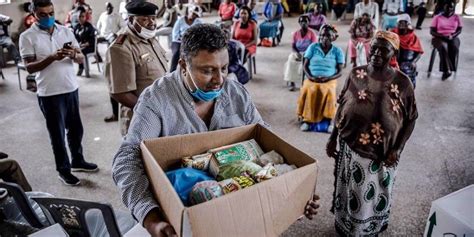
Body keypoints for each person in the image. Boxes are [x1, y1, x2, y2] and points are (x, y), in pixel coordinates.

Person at [111, 23, 320, 236]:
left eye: (223, 68)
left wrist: (294, 191)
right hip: (179, 213)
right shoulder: (156, 100)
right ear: (183, 65)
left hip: (239, 206)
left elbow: (266, 139)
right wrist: (152, 219)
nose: (220, 80)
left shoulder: (236, 93)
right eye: (207, 70)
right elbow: (127, 160)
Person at [327, 30, 418, 236]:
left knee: (371, 193)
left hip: (382, 153)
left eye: (383, 50)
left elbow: (411, 118)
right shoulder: (356, 74)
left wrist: (397, 149)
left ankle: (366, 229)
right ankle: (345, 225)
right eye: (374, 48)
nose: (376, 53)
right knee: (349, 188)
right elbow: (342, 106)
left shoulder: (402, 83)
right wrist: (333, 138)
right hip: (350, 147)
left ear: (393, 54)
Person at [19, 0, 98, 186]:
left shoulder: (65, 30)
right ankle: (63, 170)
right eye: (43, 15)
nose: (48, 17)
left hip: (70, 88)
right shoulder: (27, 37)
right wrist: (52, 57)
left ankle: (77, 160)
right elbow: (29, 67)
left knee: (76, 129)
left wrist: (73, 55)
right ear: (34, 15)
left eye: (51, 13)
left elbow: (80, 58)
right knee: (57, 134)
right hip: (49, 92)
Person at [105, 1, 168, 136]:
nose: (151, 23)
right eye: (144, 19)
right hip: (140, 117)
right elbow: (119, 92)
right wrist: (150, 109)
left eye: (153, 18)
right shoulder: (121, 48)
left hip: (161, 111)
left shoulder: (150, 38)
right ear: (131, 19)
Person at [298, 24, 344, 132]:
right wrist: (310, 76)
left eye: (328, 36)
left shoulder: (337, 51)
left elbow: (340, 71)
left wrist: (329, 78)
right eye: (322, 35)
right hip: (312, 77)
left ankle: (330, 120)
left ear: (333, 37)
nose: (324, 38)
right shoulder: (313, 47)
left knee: (328, 91)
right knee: (310, 89)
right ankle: (307, 120)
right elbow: (305, 65)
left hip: (329, 79)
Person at [284, 15, 317, 91]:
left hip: (309, 53)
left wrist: (306, 54)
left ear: (309, 22)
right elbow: (293, 46)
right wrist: (297, 53)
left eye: (306, 21)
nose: (304, 23)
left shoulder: (312, 33)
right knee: (291, 60)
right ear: (299, 23)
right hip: (298, 52)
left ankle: (306, 82)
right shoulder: (296, 33)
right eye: (302, 21)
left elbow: (313, 47)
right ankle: (292, 82)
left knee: (306, 63)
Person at [430, 0, 462, 80]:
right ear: (443, 8)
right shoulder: (437, 17)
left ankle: (448, 69)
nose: (449, 9)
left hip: (452, 36)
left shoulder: (456, 17)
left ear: (453, 8)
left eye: (451, 7)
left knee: (454, 46)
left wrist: (453, 35)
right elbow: (432, 31)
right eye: (447, 7)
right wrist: (442, 36)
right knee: (443, 47)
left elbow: (459, 29)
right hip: (438, 37)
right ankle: (447, 70)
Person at [393, 14, 423, 87]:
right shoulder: (393, 34)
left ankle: (409, 89)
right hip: (393, 60)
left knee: (406, 70)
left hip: (407, 62)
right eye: (400, 23)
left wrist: (413, 62)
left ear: (408, 25)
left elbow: (419, 52)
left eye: (404, 23)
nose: (401, 25)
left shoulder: (413, 37)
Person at [170, 4, 203, 72]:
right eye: (193, 14)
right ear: (189, 12)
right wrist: (182, 40)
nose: (194, 16)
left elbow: (201, 33)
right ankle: (172, 71)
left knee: (196, 53)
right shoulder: (180, 20)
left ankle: (192, 71)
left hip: (192, 42)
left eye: (196, 15)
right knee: (176, 52)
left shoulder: (198, 22)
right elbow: (175, 34)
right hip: (178, 41)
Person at [73, 8, 96, 78]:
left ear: (85, 17)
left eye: (82, 16)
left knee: (81, 51)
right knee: (73, 51)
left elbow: (92, 41)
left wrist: (83, 45)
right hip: (80, 46)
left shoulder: (89, 26)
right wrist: (78, 44)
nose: (81, 18)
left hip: (89, 47)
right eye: (79, 16)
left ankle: (83, 68)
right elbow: (74, 38)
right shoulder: (76, 27)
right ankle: (79, 67)